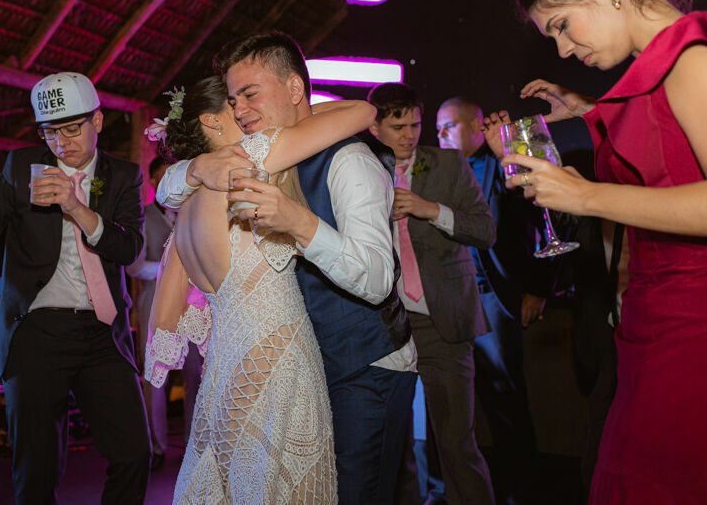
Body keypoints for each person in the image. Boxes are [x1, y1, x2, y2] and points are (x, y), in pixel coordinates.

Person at [156, 31, 415, 504]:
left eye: (250, 94)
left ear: (295, 90)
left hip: (365, 363)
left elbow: (378, 282)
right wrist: (195, 168)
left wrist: (300, 223)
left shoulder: (349, 160)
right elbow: (169, 185)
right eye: (233, 100)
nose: (240, 110)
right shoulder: (257, 157)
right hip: (294, 363)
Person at [506, 0, 707, 502]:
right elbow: (670, 149)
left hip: (692, 330)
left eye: (562, 26)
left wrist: (585, 196)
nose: (564, 50)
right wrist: (591, 111)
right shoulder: (664, 64)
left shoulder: (692, 58)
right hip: (653, 319)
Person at [0, 72, 150, 504]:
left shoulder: (123, 177)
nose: (61, 143)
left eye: (71, 128)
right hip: (34, 332)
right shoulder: (21, 169)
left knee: (133, 454)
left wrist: (75, 206)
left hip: (101, 334)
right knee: (36, 470)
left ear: (97, 121)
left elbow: (129, 248)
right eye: (49, 131)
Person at [367, 83, 496, 505]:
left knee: (457, 440)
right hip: (386, 325)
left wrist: (430, 210)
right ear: (375, 127)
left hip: (445, 321)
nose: (409, 134)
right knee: (392, 445)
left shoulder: (449, 163)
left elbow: (486, 230)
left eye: (415, 125)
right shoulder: (360, 170)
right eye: (397, 126)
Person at [438, 96, 561, 504]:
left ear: (475, 126)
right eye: (437, 128)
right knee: (459, 405)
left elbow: (542, 219)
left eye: (448, 126)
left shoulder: (500, 165)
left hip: (494, 299)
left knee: (506, 399)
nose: (439, 136)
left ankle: (521, 492)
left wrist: (539, 288)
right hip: (450, 302)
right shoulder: (438, 172)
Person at [126, 156, 175, 471]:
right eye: (161, 177)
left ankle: (198, 444)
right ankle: (156, 446)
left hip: (195, 302)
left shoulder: (192, 211)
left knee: (200, 374)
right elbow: (134, 266)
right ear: (153, 182)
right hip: (155, 301)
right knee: (155, 375)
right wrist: (173, 270)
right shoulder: (143, 217)